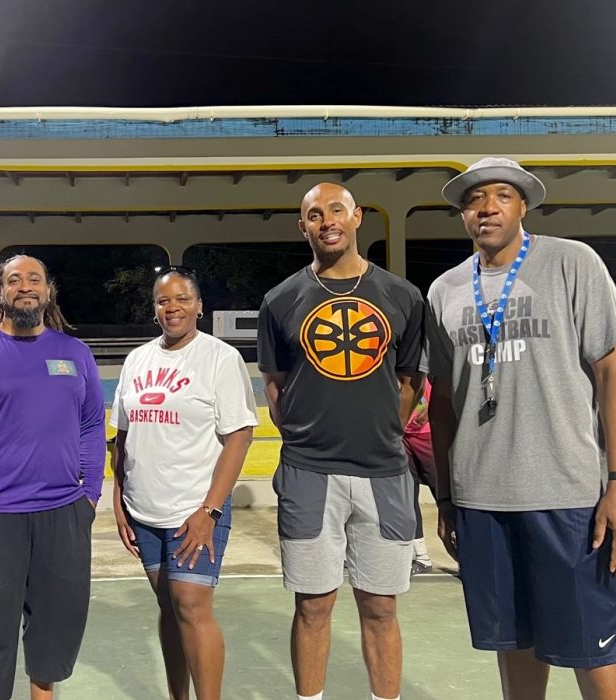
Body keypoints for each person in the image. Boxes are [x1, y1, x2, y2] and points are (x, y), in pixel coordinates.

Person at [427, 157, 616, 699]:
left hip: (567, 497)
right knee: (512, 649)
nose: (486, 208)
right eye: (474, 199)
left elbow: (614, 370)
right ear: (462, 214)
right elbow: (445, 402)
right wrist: (448, 497)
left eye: (500, 196)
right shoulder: (445, 289)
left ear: (523, 205)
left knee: (597, 651)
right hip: (482, 500)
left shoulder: (572, 263)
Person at [257, 183, 425, 700]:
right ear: (302, 227)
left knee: (381, 607)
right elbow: (276, 387)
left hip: (384, 473)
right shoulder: (280, 300)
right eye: (313, 214)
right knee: (312, 606)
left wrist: (379, 432)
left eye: (335, 210)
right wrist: (313, 437)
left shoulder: (403, 296)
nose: (325, 220)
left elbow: (409, 383)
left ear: (356, 218)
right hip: (309, 474)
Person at [0, 254, 105, 700]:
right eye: (14, 280)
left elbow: (91, 426)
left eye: (34, 279)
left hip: (64, 514)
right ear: (0, 292)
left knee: (54, 632)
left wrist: (89, 496)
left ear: (48, 291)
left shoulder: (74, 353)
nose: (24, 286)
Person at [110, 268, 257, 699]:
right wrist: (119, 500)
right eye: (162, 301)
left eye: (181, 299)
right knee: (169, 609)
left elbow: (239, 436)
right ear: (154, 308)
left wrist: (209, 510)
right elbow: (121, 437)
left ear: (199, 306)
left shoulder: (220, 358)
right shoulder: (138, 359)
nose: (172, 307)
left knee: (192, 607)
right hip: (143, 509)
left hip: (194, 509)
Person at [404, 381, 436, 575]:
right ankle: (422, 558)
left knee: (443, 494)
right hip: (401, 436)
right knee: (408, 497)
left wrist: (430, 409)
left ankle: (467, 557)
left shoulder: (427, 356)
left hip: (428, 435)